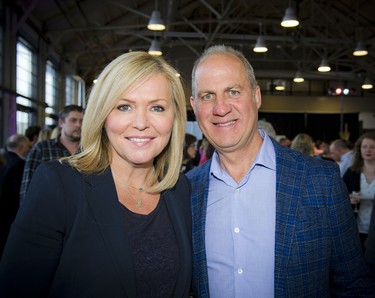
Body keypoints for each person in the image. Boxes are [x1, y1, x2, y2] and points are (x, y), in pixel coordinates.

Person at [186, 45, 375, 297]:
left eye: (233, 91)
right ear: (194, 105)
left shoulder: (320, 181)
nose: (220, 108)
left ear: (256, 96)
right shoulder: (186, 191)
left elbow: (354, 286)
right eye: (207, 95)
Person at [0, 51, 192, 296]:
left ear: (174, 117)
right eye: (124, 106)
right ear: (103, 115)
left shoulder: (180, 189)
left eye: (157, 107)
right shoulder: (59, 184)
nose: (141, 122)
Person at [19, 104, 83, 203]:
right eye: (73, 120)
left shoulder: (88, 151)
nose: (78, 125)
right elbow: (27, 187)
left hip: (81, 213)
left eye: (81, 121)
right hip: (48, 211)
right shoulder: (42, 149)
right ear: (61, 123)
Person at [343, 131, 375, 250]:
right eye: (364, 146)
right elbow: (339, 196)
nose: (368, 150)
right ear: (359, 149)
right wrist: (348, 199)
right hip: (356, 228)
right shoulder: (351, 172)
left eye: (372, 147)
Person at [0, 134, 30, 258]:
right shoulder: (19, 164)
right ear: (22, 147)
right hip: (9, 215)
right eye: (28, 147)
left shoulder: (3, 159)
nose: (29, 149)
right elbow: (18, 192)